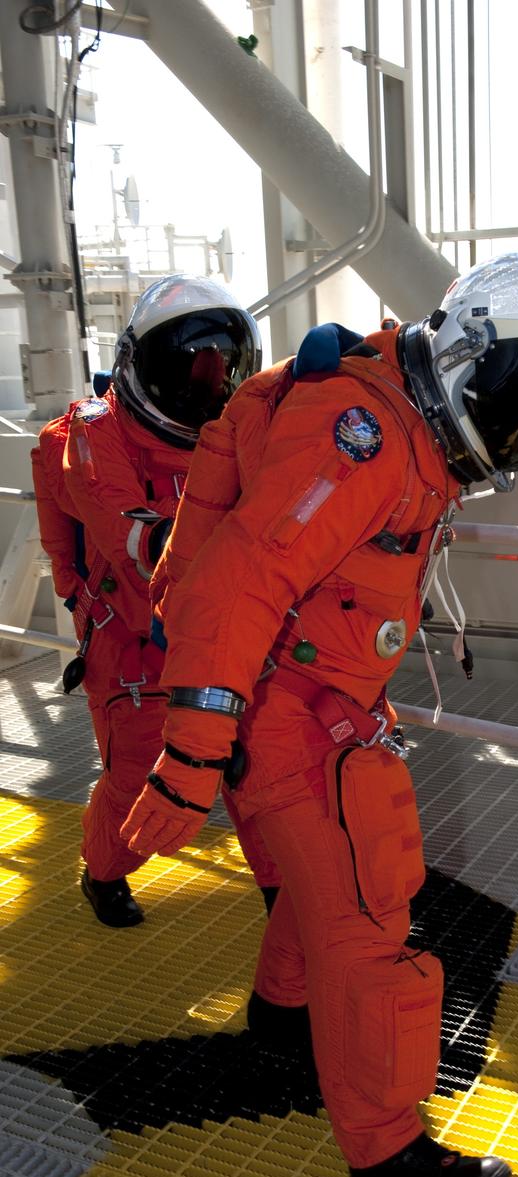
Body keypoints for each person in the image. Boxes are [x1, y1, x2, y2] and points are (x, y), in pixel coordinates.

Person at [120, 251, 518, 1177]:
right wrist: (191, 755)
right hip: (291, 712)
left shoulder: (382, 400)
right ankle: (387, 1161)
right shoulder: (367, 434)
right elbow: (236, 582)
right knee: (369, 921)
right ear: (472, 359)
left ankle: (279, 1023)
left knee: (321, 900)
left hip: (307, 695)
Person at [31, 274, 280, 927]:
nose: (210, 385)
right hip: (135, 644)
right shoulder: (90, 435)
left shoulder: (238, 432)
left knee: (268, 769)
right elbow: (129, 533)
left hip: (227, 634)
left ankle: (286, 889)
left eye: (221, 371)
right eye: (195, 371)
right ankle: (105, 874)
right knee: (138, 775)